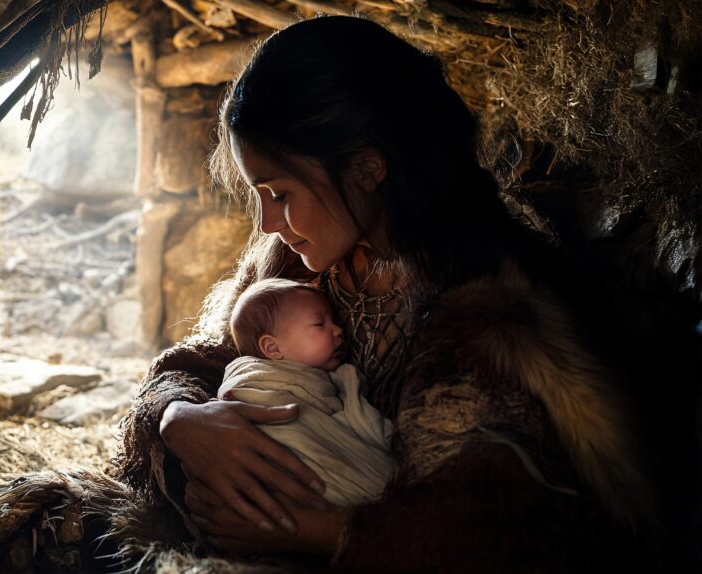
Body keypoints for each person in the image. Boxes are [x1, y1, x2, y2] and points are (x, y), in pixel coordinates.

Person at [113, 15, 660, 571]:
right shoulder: (292, 264)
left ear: (367, 168)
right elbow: (213, 360)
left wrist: (320, 533)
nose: (266, 224)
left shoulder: (496, 312)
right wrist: (177, 418)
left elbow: (529, 522)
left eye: (279, 194)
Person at [219, 277, 395, 508]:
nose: (339, 330)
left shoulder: (332, 381)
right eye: (320, 324)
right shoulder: (254, 381)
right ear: (272, 348)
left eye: (334, 321)